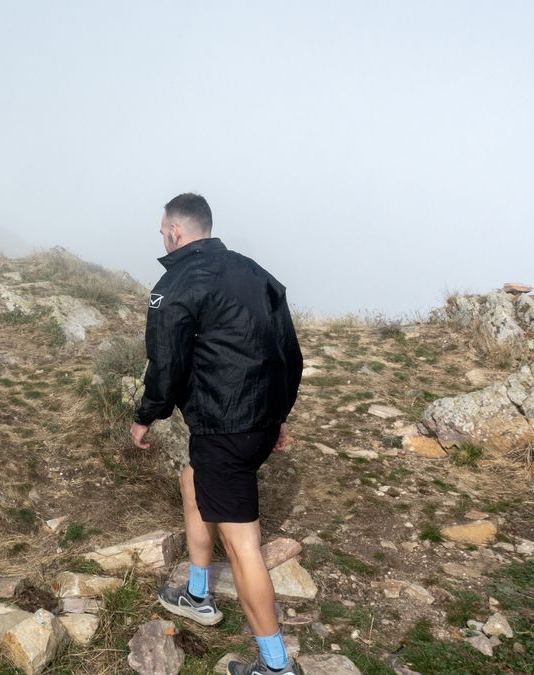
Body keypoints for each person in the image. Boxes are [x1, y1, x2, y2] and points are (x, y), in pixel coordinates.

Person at [130, 193, 303, 675]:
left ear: (176, 231)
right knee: (192, 481)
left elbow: (166, 362)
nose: (161, 235)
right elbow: (289, 352)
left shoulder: (175, 283)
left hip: (225, 427)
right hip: (258, 423)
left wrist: (147, 414)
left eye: (162, 228)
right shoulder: (257, 273)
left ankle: (275, 664)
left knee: (244, 545)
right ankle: (197, 591)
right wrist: (280, 415)